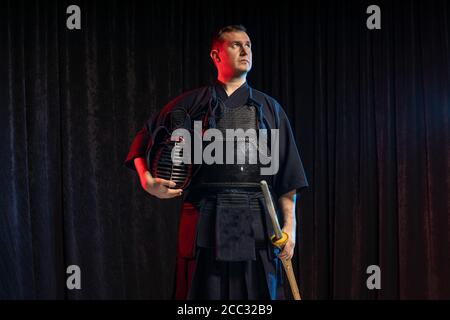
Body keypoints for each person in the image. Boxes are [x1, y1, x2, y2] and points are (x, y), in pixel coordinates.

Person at [124, 25, 308, 300]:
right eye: (236, 45)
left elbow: (288, 178)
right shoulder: (190, 104)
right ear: (216, 55)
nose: (245, 50)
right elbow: (143, 138)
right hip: (203, 224)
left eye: (248, 45)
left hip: (258, 226)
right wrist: (147, 180)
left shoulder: (271, 109)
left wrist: (289, 229)